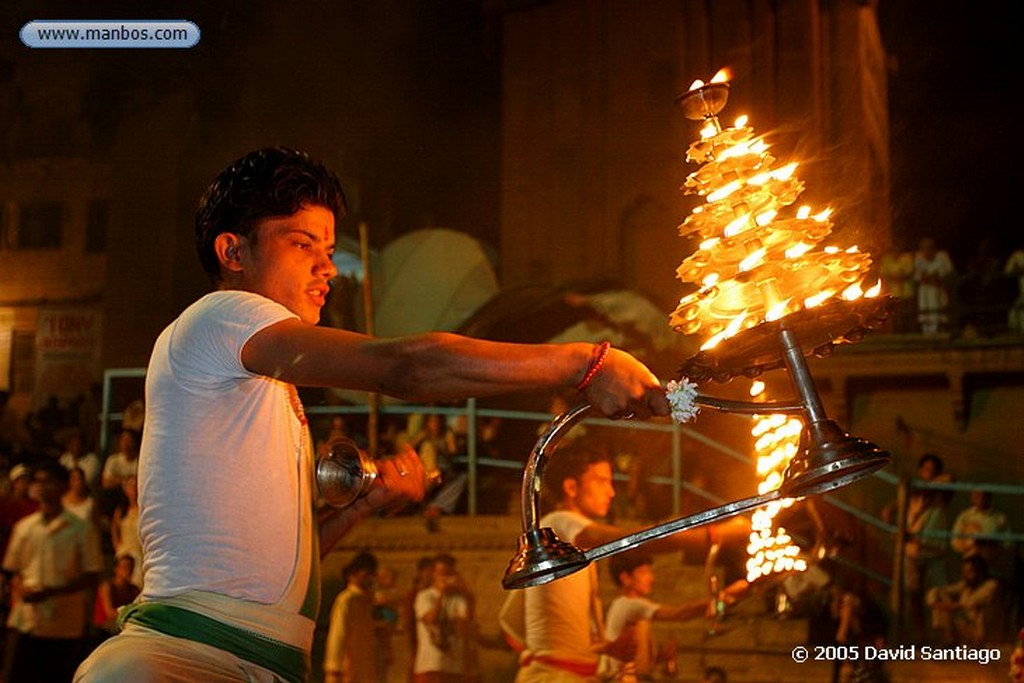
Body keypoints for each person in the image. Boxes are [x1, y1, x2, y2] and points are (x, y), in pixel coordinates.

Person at [75, 147, 669, 683]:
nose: (327, 268)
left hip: (247, 662)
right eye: (301, 244)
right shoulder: (224, 315)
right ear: (232, 251)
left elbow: (272, 577)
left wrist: (366, 505)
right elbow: (405, 368)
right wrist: (586, 363)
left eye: (329, 251)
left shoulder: (265, 382)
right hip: (181, 661)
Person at [499, 438, 744, 682]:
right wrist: (715, 534)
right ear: (571, 488)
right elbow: (631, 542)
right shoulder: (560, 523)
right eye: (602, 480)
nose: (611, 491)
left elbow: (537, 629)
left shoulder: (561, 543)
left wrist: (605, 649)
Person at [2, 460, 104, 682]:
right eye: (38, 481)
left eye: (49, 481)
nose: (42, 487)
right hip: (26, 620)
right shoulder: (25, 528)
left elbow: (92, 574)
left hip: (64, 625)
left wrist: (51, 592)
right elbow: (12, 569)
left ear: (63, 486)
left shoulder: (81, 529)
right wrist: (20, 588)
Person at [603, 552, 748, 680]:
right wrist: (726, 594)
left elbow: (638, 664)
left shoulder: (633, 610)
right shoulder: (628, 604)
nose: (651, 578)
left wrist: (660, 657)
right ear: (625, 578)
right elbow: (681, 613)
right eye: (643, 572)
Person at [413, 553, 479, 683]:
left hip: (453, 666)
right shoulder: (424, 596)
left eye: (448, 573)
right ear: (433, 574)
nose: (445, 577)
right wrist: (442, 595)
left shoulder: (459, 599)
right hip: (430, 664)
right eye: (441, 573)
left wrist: (465, 590)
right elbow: (431, 619)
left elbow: (466, 622)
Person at [322, 551, 379, 683]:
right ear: (353, 575)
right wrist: (333, 668)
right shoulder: (346, 600)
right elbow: (337, 634)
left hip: (363, 668)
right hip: (347, 669)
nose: (370, 579)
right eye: (366, 575)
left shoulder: (364, 601)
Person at [926, 554, 1002, 645]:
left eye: (969, 572)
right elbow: (938, 591)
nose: (966, 575)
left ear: (980, 572)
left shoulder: (991, 585)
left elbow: (971, 602)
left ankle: (971, 643)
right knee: (941, 597)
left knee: (954, 608)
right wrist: (935, 602)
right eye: (964, 572)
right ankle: (950, 642)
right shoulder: (966, 585)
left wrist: (949, 606)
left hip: (982, 631)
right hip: (966, 625)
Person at [950, 488, 1011, 572]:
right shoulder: (964, 516)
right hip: (970, 565)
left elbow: (1009, 543)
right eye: (977, 495)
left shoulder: (999, 518)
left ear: (989, 497)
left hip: (992, 565)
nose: (980, 498)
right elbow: (954, 541)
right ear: (972, 497)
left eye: (984, 495)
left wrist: (991, 546)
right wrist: (970, 546)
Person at [92, 554, 142, 639]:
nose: (128, 571)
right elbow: (109, 612)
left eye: (131, 567)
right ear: (116, 569)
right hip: (106, 627)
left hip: (124, 622)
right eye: (124, 567)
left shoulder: (134, 589)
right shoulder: (107, 587)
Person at [912, 236, 955, 334]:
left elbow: (945, 276)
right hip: (925, 293)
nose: (927, 251)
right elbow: (919, 277)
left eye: (929, 248)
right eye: (924, 248)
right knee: (925, 315)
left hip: (938, 291)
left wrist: (933, 278)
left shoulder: (942, 257)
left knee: (939, 314)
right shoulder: (919, 258)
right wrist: (930, 278)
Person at [109, 476, 144, 588]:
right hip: (124, 551)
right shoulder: (121, 510)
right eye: (130, 486)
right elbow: (114, 528)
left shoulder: (143, 509)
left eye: (135, 486)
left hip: (139, 552)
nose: (133, 489)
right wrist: (117, 546)